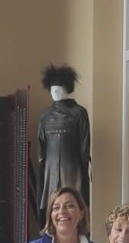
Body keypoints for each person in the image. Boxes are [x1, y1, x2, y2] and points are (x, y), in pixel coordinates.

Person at [37, 64, 91, 224]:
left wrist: (83, 167)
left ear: (67, 88)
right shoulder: (45, 115)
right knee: (52, 203)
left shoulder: (79, 113)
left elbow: (85, 147)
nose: (55, 92)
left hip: (72, 167)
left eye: (59, 88)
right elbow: (41, 147)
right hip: (50, 167)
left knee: (73, 201)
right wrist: (42, 168)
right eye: (53, 89)